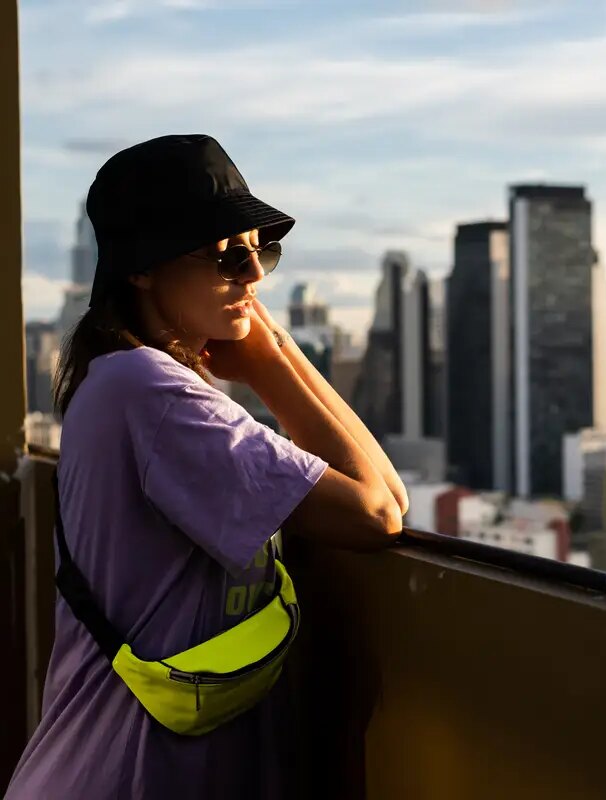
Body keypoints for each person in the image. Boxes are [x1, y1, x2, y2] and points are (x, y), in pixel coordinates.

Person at [5, 134, 407, 799]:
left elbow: (387, 495)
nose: (252, 277)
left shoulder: (122, 385)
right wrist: (270, 361)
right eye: (226, 256)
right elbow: (379, 513)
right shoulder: (150, 392)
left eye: (261, 252)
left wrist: (269, 350)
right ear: (141, 267)